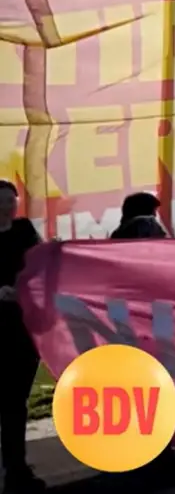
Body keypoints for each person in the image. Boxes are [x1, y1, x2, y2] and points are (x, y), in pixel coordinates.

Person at [0, 180, 45, 493]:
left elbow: (43, 265)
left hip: (22, 329)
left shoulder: (25, 230)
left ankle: (17, 470)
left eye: (10, 201)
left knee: (15, 402)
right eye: (1, 201)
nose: (7, 207)